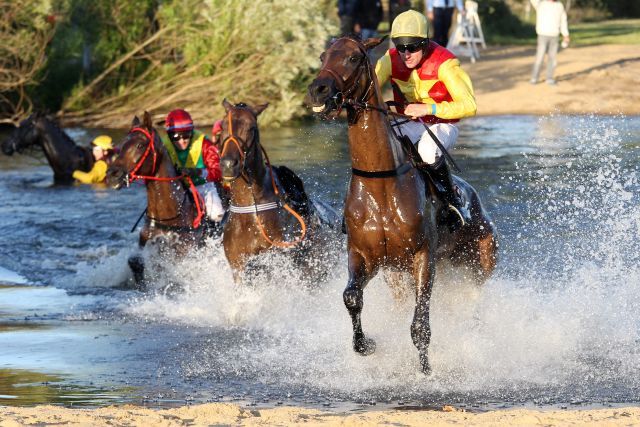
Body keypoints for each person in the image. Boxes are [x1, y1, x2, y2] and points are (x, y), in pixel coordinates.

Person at [375, 9, 476, 230]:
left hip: (443, 125)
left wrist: (428, 108)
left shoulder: (446, 64)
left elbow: (470, 106)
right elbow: (369, 86)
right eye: (400, 47)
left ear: (426, 43)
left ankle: (452, 203)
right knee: (376, 140)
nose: (406, 54)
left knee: (428, 151)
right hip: (407, 124)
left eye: (412, 47)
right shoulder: (390, 60)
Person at [162, 109, 225, 222]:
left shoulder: (205, 144)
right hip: (175, 189)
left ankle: (217, 237)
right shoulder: (162, 146)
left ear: (192, 132)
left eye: (186, 135)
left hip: (203, 187)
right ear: (169, 135)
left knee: (217, 215)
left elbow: (219, 170)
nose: (182, 140)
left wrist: (198, 172)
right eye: (176, 137)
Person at [529, 0, 570, 85]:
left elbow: (563, 20)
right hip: (542, 34)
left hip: (555, 35)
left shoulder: (559, 5)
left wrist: (565, 34)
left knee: (552, 58)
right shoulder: (540, 4)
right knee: (539, 57)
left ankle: (549, 78)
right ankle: (534, 78)